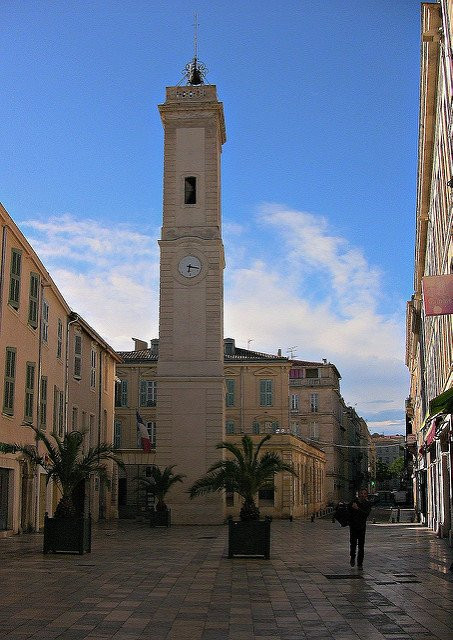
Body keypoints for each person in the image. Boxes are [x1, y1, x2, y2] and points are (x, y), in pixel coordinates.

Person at [348, 487, 371, 569]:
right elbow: (348, 511)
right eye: (361, 493)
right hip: (353, 526)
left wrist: (357, 509)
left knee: (361, 546)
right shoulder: (353, 502)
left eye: (365, 494)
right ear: (359, 494)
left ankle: (360, 563)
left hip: (362, 527)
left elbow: (366, 514)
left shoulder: (367, 504)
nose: (363, 495)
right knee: (353, 544)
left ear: (366, 495)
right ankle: (353, 557)